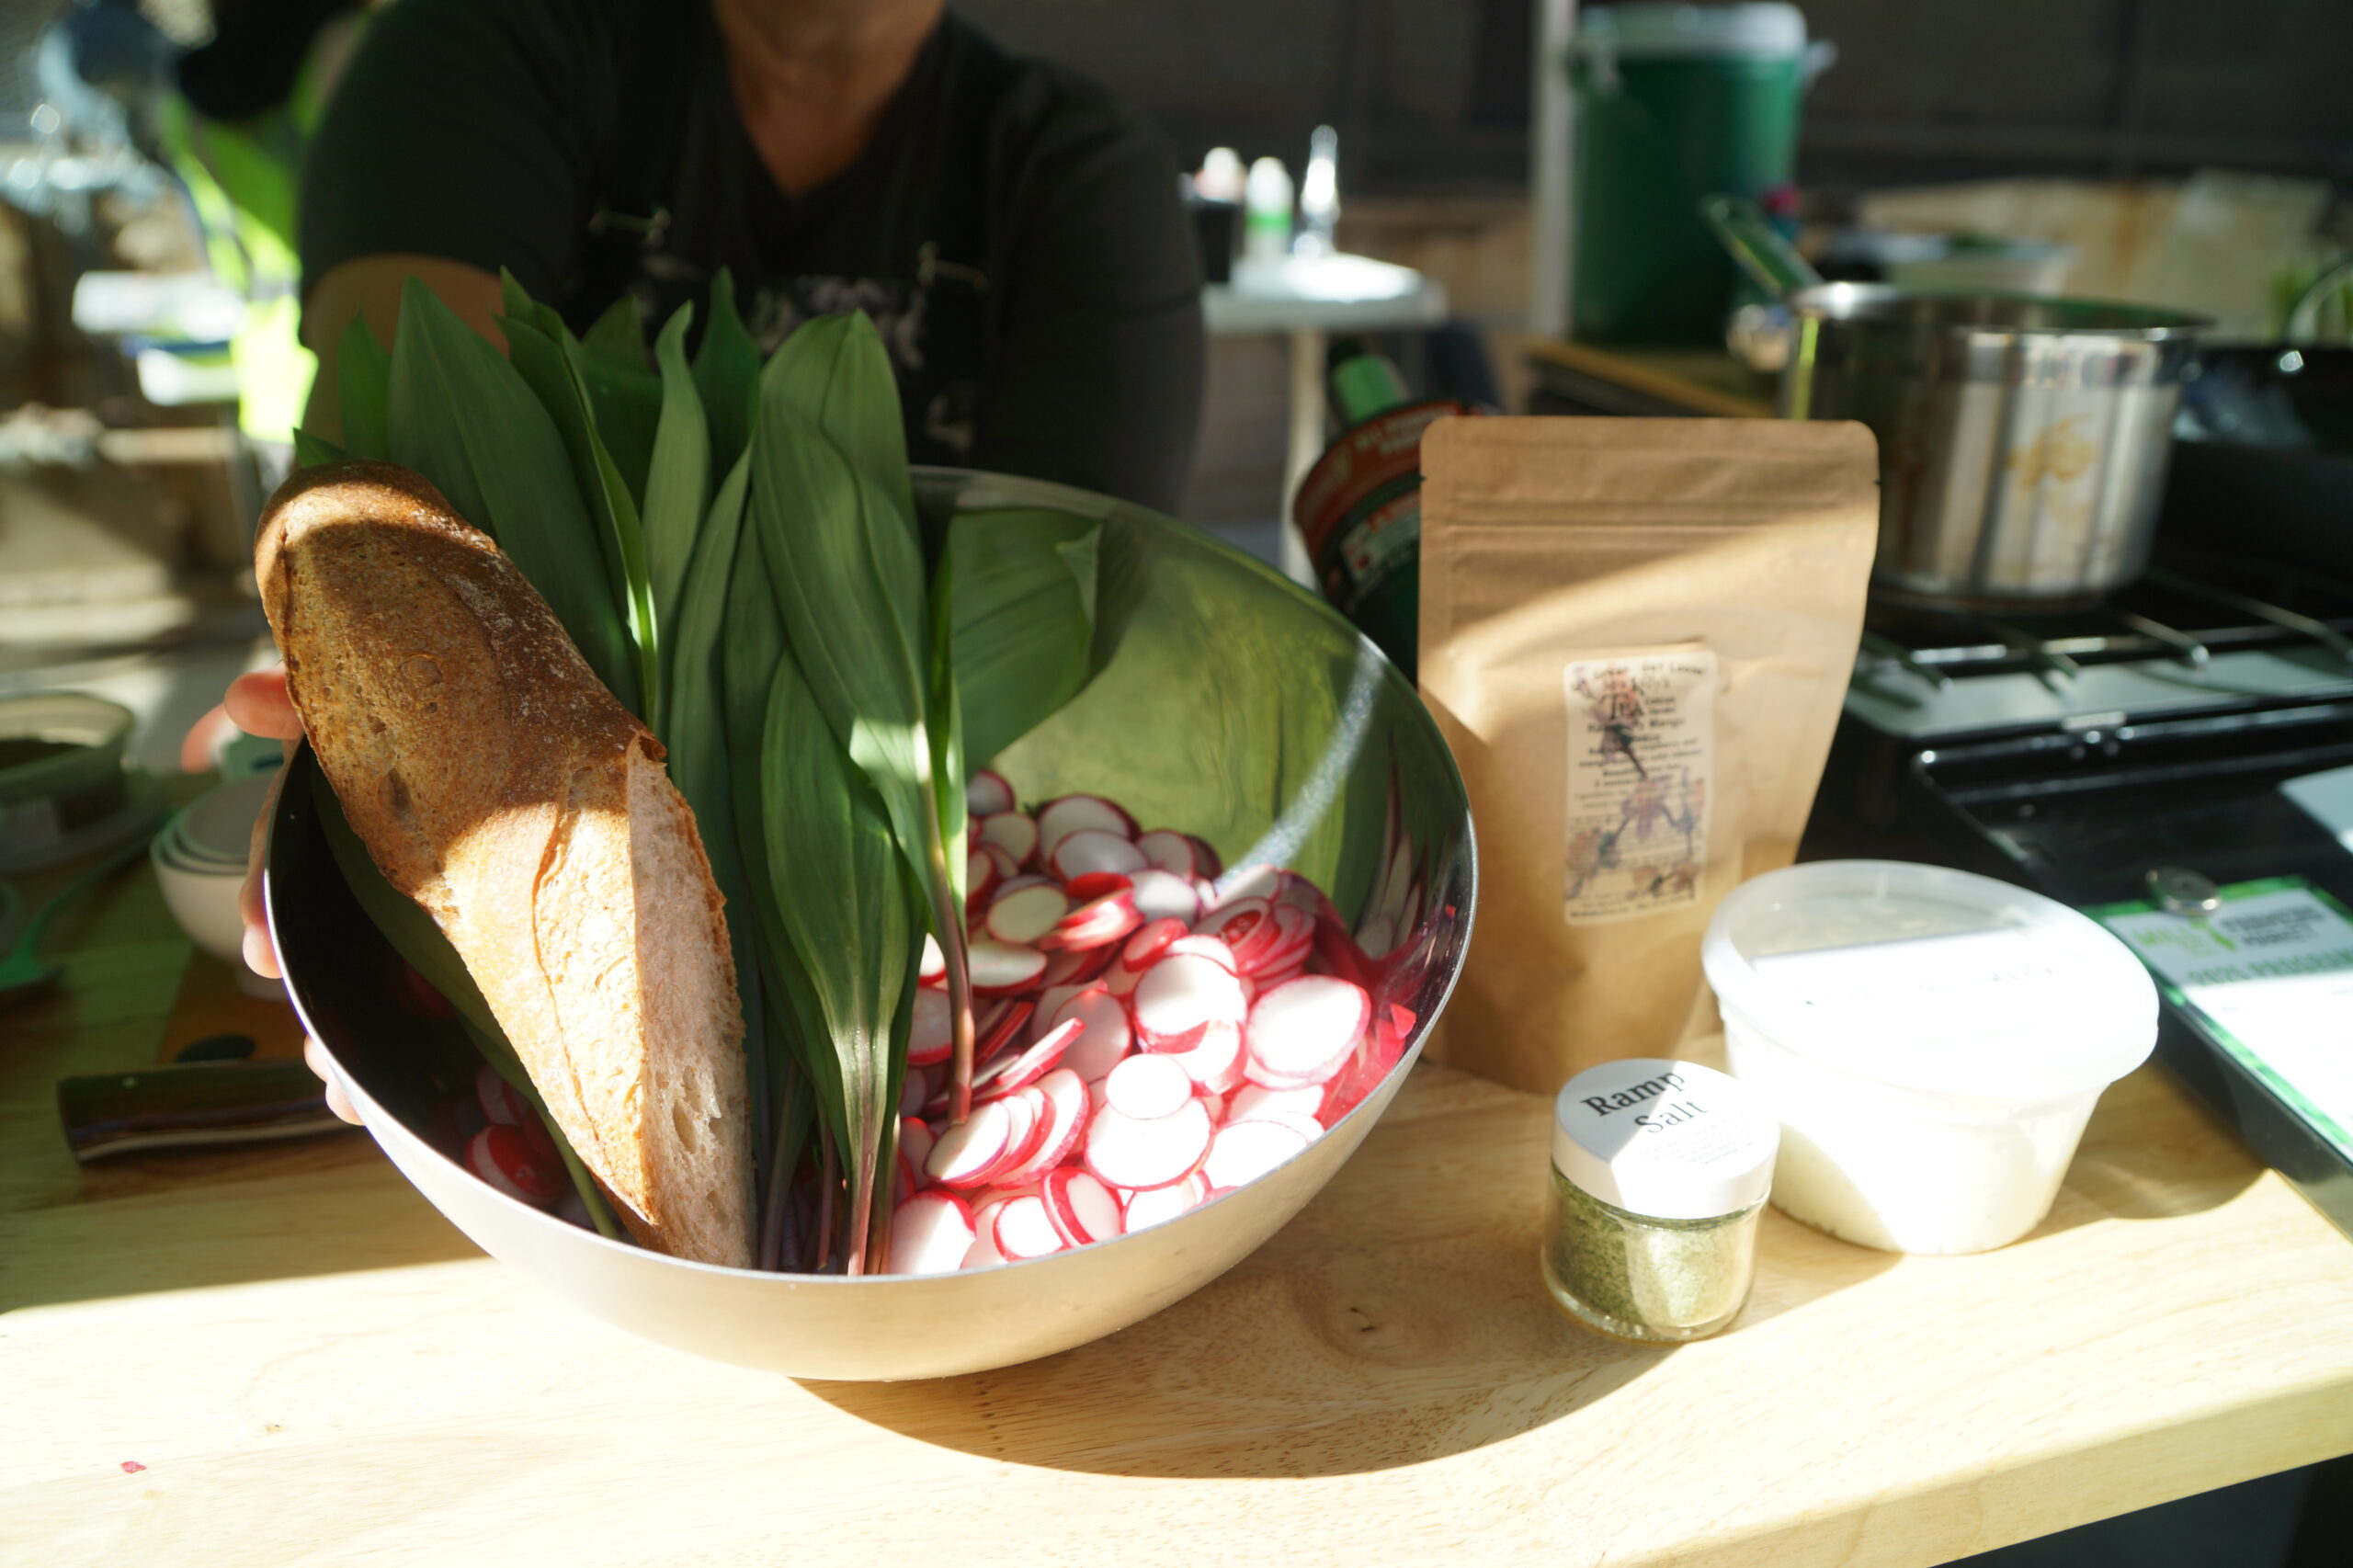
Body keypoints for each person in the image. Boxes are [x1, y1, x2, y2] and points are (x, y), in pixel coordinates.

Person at [221, 0, 1207, 1118]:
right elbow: (399, 546)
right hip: (555, 880)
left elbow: (1057, 614)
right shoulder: (489, 45)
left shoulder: (1071, 169)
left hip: (925, 921)